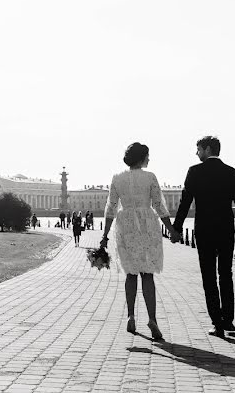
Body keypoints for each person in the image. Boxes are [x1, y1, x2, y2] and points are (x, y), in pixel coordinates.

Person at [171, 135, 235, 338]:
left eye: (198, 149)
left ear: (207, 149)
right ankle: (228, 321)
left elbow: (185, 202)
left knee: (208, 276)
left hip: (205, 230)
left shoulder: (195, 172)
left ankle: (217, 324)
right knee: (226, 274)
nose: (196, 153)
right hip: (226, 229)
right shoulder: (233, 173)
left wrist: (176, 229)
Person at [101, 142, 176, 340]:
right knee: (148, 274)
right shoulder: (150, 177)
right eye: (147, 156)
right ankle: (152, 319)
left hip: (125, 226)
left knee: (131, 274)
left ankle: (131, 316)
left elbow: (110, 209)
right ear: (142, 158)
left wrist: (104, 236)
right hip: (147, 225)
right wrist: (171, 230)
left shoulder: (117, 178)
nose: (149, 159)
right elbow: (160, 205)